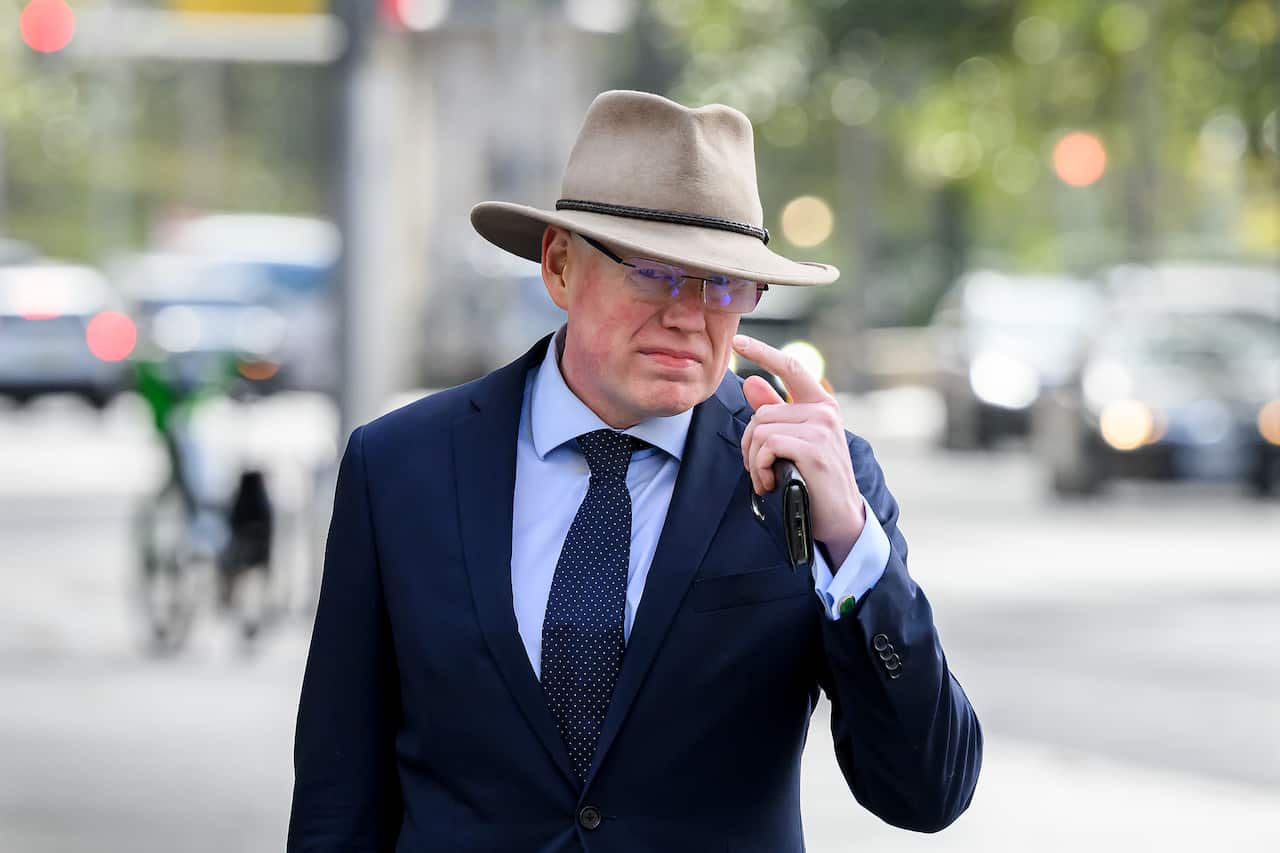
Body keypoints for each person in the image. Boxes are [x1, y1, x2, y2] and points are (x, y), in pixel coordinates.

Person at [288, 89, 981, 852]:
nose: (692, 313)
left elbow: (928, 791)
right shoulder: (399, 467)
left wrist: (851, 547)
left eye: (724, 283)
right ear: (560, 266)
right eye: (656, 272)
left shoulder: (818, 479)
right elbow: (336, 797)